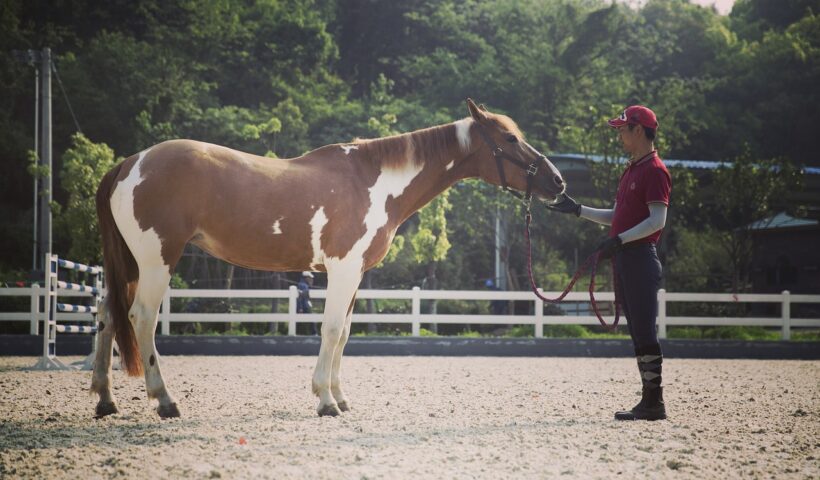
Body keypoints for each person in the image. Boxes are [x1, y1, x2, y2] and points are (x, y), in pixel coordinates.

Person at [547, 105, 671, 421]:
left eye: (622, 129)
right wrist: (578, 210)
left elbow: (657, 221)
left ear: (638, 130)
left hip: (641, 259)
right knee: (637, 331)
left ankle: (654, 402)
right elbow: (617, 217)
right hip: (627, 258)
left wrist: (619, 240)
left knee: (645, 330)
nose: (618, 135)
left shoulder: (655, 171)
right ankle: (650, 400)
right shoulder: (631, 170)